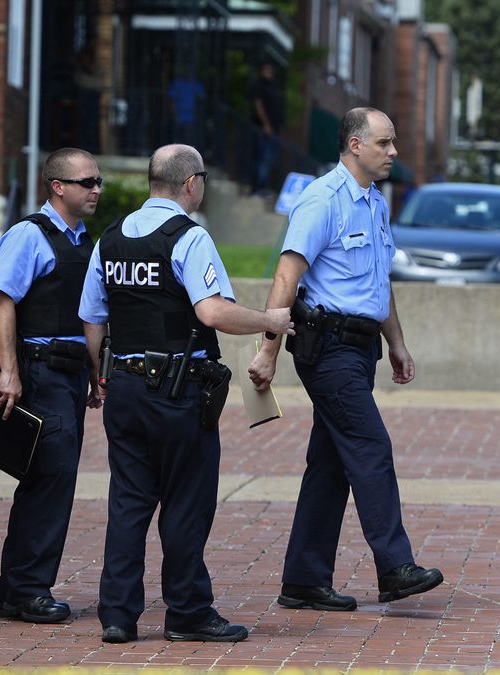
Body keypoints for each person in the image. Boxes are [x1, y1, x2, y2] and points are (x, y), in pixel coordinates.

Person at [79, 144, 293, 644]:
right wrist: (270, 320)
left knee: (129, 503)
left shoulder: (109, 238)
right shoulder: (188, 237)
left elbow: (93, 318)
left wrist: (99, 376)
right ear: (191, 183)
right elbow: (213, 312)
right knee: (185, 504)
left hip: (125, 387)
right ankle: (189, 611)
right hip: (176, 393)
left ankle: (117, 615)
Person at [248, 107, 444, 613]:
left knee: (330, 466)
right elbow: (286, 279)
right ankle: (395, 568)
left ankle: (304, 580)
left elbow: (378, 284)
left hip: (362, 348)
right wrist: (268, 353)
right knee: (370, 445)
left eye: (394, 142)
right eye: (384, 143)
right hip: (327, 346)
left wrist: (396, 343)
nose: (393, 152)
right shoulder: (322, 200)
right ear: (355, 145)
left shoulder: (375, 203)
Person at [0, 148, 104, 624]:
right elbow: (1, 301)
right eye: (87, 182)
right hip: (41, 372)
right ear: (58, 186)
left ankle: (15, 588)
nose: (96, 189)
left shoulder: (80, 238)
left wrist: (96, 373)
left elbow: (88, 314)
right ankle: (26, 591)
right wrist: (9, 371)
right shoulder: (29, 235)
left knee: (51, 480)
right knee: (49, 481)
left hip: (72, 372)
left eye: (98, 182)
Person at [248, 62, 284, 196]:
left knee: (268, 159)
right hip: (262, 129)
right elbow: (258, 105)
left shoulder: (273, 86)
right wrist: (266, 124)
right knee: (262, 158)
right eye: (266, 69)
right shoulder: (259, 85)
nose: (268, 72)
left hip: (273, 128)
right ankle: (257, 187)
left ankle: (261, 187)